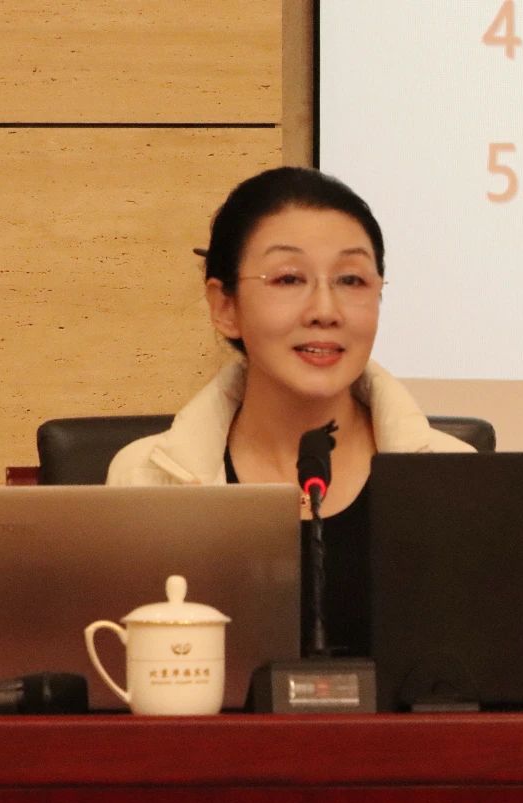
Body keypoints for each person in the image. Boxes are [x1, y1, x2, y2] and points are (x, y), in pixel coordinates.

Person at [107, 166, 473, 655]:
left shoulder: (457, 478)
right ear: (225, 306)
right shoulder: (145, 481)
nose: (325, 310)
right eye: (288, 278)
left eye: (351, 279)